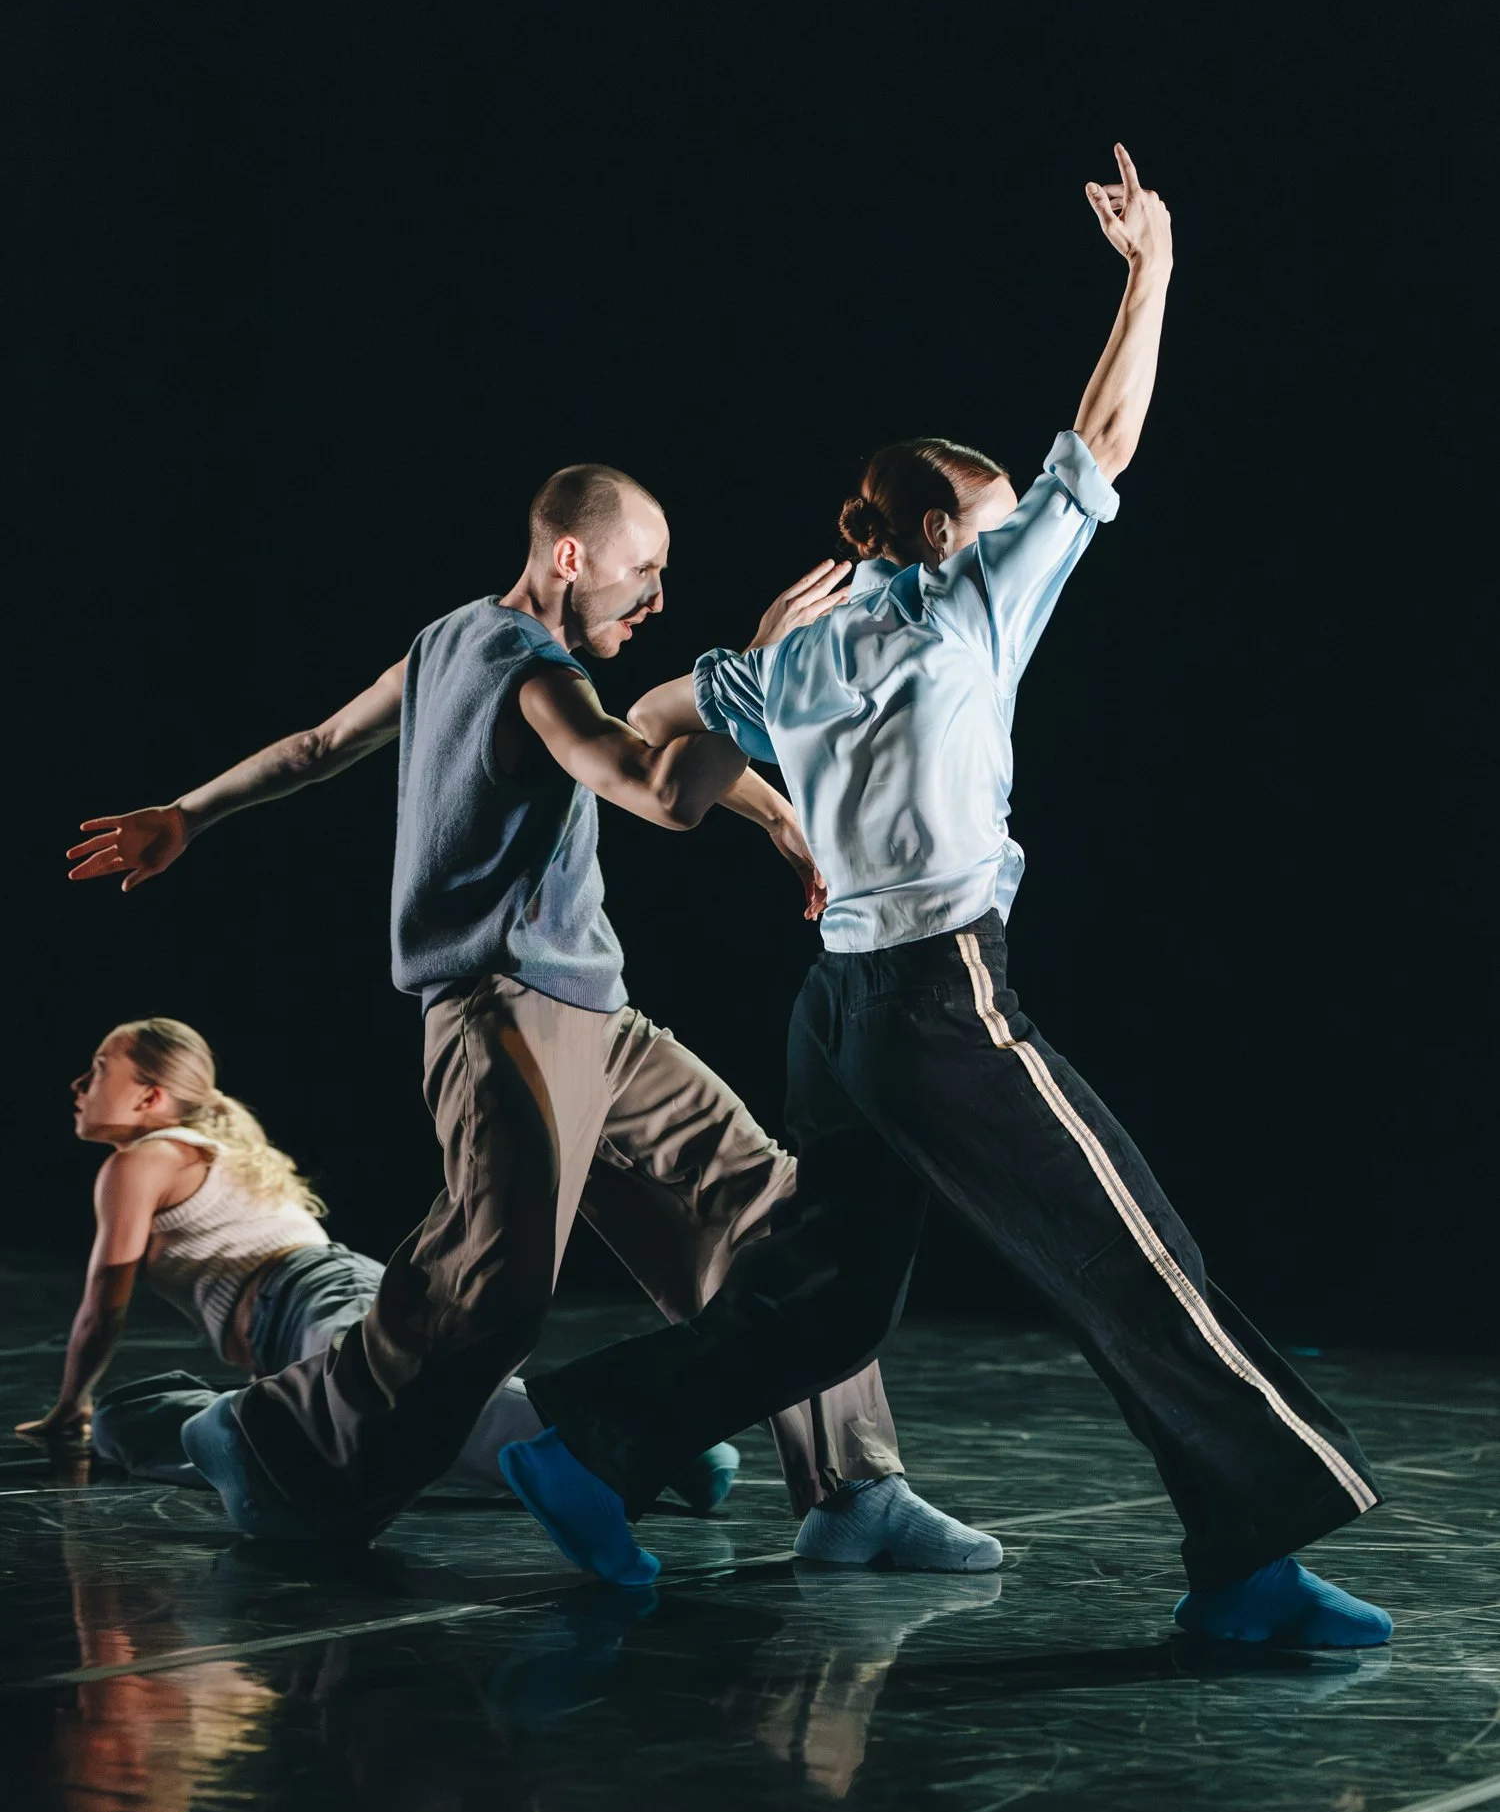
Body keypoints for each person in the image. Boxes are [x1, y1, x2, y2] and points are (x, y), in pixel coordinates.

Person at [497, 147, 1395, 1646]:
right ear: (932, 535)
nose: (1015, 527)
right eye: (986, 514)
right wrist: (1152, 267)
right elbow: (1103, 435)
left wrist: (671, 771)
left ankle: (582, 1443)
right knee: (1134, 1257)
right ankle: (1252, 1560)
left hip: (837, 1009)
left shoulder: (790, 654)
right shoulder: (968, 603)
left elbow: (658, 715)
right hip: (936, 996)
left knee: (829, 1297)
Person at [67, 478, 997, 1570]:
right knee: (490, 1291)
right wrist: (757, 674)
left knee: (775, 1210)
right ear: (569, 558)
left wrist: (189, 812)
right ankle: (273, 1443)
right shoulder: (532, 676)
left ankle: (851, 1489)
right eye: (642, 574)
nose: (654, 599)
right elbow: (649, 786)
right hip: (503, 1017)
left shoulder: (447, 642)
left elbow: (321, 744)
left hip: (600, 1022)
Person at [18, 1014, 620, 1500]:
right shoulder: (194, 1149)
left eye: (98, 1070)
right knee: (128, 1418)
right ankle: (260, 1437)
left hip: (312, 1295)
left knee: (416, 1403)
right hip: (307, 1314)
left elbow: (104, 1306)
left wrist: (70, 1406)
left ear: (149, 1096)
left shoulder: (140, 1160)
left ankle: (638, 1446)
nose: (79, 1085)